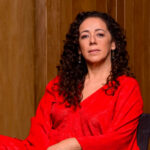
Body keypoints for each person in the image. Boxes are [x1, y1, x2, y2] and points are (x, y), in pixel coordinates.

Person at [0, 11, 143, 150]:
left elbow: (120, 139)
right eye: (85, 36)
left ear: (113, 44)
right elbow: (39, 133)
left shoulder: (127, 87)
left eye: (100, 34)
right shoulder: (58, 85)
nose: (92, 41)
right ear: (79, 49)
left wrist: (75, 144)